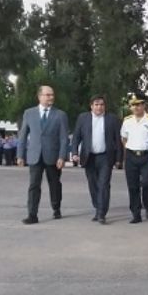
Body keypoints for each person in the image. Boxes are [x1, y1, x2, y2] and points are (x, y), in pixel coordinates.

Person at [17, 85, 69, 225]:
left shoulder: (60, 115)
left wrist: (62, 156)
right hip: (34, 155)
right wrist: (20, 155)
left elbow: (64, 138)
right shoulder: (29, 113)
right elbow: (22, 135)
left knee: (55, 184)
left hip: (53, 156)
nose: (51, 97)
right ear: (40, 96)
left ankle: (56, 207)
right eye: (48, 95)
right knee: (34, 185)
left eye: (52, 95)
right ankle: (32, 214)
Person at [72, 95, 122, 224]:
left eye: (101, 105)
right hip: (89, 157)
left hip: (106, 156)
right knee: (93, 184)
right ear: (91, 106)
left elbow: (118, 140)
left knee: (104, 184)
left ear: (105, 106)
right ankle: (97, 207)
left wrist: (119, 158)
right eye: (96, 104)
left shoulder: (112, 119)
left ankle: (101, 213)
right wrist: (74, 153)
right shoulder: (83, 118)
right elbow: (76, 137)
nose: (99, 107)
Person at [121, 94, 148, 223]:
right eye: (133, 105)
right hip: (131, 156)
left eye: (138, 104)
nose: (136, 107)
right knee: (132, 186)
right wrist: (129, 150)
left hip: (147, 156)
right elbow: (123, 138)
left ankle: (147, 204)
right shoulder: (127, 120)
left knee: (146, 183)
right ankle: (136, 213)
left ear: (144, 105)